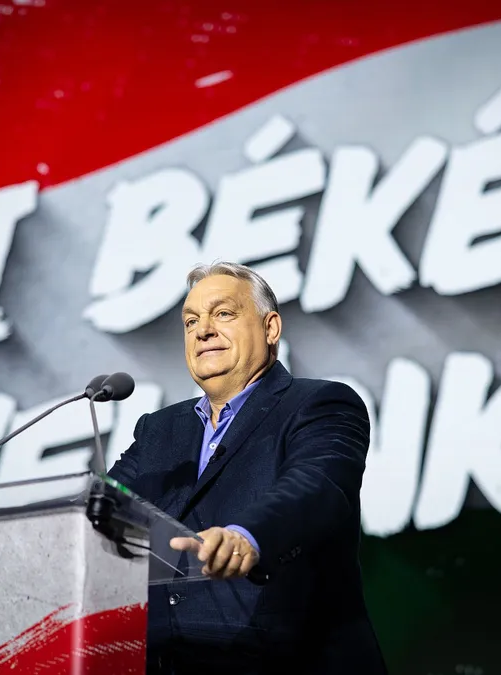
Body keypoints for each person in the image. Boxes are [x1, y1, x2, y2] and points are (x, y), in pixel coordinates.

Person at [106, 261, 388, 675]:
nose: (202, 331)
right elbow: (103, 509)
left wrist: (247, 536)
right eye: (190, 322)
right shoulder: (160, 429)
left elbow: (316, 487)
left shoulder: (321, 404)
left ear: (270, 328)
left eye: (223, 313)